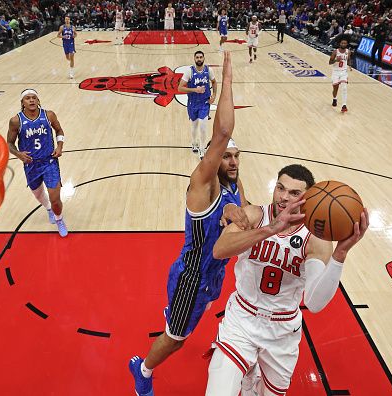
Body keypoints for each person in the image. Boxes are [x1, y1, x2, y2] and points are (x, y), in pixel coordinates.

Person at [129, 52, 250, 396]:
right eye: (225, 155)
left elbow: (244, 211)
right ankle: (143, 371)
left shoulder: (234, 182)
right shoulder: (202, 185)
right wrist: (226, 82)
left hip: (214, 275)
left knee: (214, 309)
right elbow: (224, 131)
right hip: (191, 278)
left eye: (236, 155)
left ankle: (217, 336)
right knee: (176, 339)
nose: (231, 160)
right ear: (212, 156)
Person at [206, 164, 369, 396]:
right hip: (241, 320)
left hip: (282, 330)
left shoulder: (315, 239)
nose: (283, 197)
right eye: (280, 188)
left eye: (294, 193)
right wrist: (271, 229)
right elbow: (219, 250)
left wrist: (339, 255)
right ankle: (247, 367)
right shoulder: (254, 215)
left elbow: (314, 303)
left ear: (309, 198)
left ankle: (253, 374)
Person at [7, 89, 69, 237]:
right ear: (22, 102)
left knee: (55, 198)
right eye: (27, 98)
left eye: (34, 97)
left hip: (49, 162)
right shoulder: (16, 121)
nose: (31, 100)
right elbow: (9, 143)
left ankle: (59, 219)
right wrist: (18, 154)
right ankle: (48, 209)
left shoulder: (49, 115)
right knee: (39, 195)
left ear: (38, 100)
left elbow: (59, 130)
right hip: (31, 164)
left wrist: (60, 146)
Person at [178, 51, 217, 159]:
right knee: (194, 126)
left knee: (203, 127)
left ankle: (202, 148)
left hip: (204, 103)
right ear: (194, 59)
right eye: (197, 57)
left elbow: (214, 82)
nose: (199, 59)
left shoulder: (208, 70)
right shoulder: (189, 71)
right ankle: (194, 142)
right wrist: (195, 89)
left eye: (201, 57)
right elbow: (180, 88)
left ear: (204, 58)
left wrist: (214, 95)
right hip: (192, 103)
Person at [329, 36, 352, 113]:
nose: (343, 44)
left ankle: (344, 105)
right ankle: (334, 98)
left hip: (344, 72)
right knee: (335, 88)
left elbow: (349, 60)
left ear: (347, 44)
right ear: (340, 43)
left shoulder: (348, 52)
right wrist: (336, 60)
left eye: (345, 43)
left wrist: (350, 66)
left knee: (344, 87)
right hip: (335, 72)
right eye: (342, 43)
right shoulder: (335, 52)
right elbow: (330, 62)